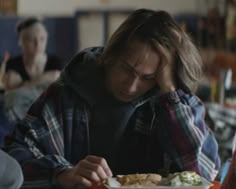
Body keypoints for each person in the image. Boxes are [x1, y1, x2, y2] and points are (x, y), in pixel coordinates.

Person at [7, 9, 220, 189]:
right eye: (126, 68)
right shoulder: (66, 94)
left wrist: (170, 93)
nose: (131, 86)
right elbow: (13, 159)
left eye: (148, 77)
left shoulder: (171, 101)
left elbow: (205, 173)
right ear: (110, 55)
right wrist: (61, 172)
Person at [3, 17, 63, 122]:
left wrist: (23, 85)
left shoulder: (55, 61)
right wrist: (45, 79)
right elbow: (11, 95)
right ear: (21, 42)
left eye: (42, 39)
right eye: (31, 40)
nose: (38, 44)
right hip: (20, 119)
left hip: (48, 117)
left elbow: (57, 80)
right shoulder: (13, 63)